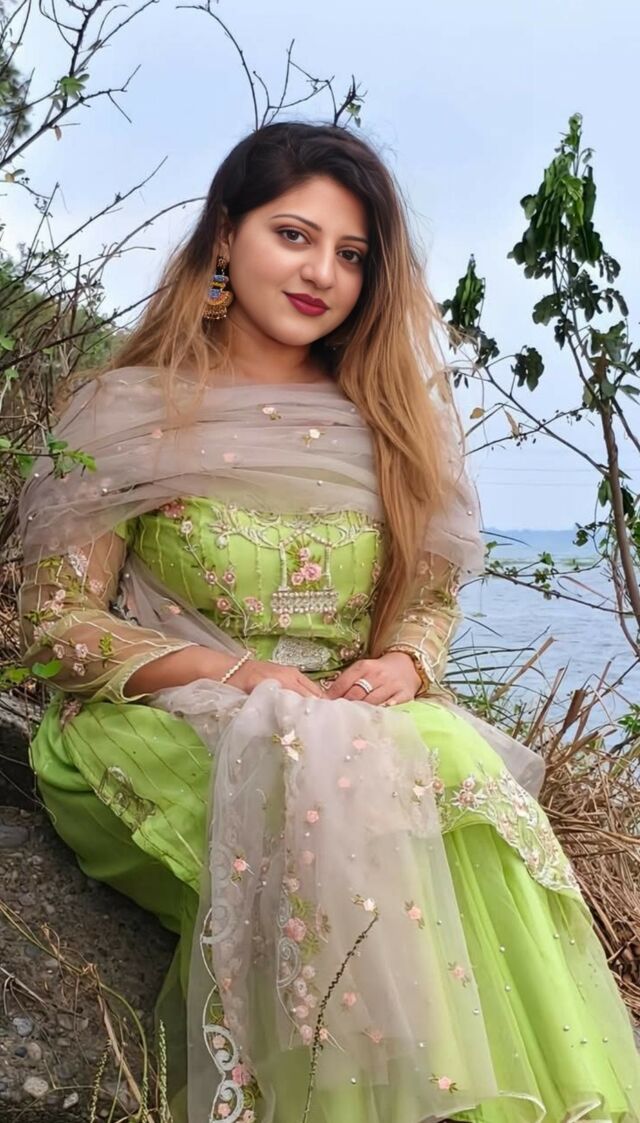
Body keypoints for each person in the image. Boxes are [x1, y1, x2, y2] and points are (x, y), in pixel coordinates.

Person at [18, 121, 639, 1123]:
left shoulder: (387, 422)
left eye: (351, 254)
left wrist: (406, 662)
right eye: (294, 235)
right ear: (226, 234)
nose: (323, 274)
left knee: (443, 761)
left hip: (348, 723)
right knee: (323, 786)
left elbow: (428, 593)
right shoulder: (127, 410)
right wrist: (235, 678)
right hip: (161, 719)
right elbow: (53, 625)